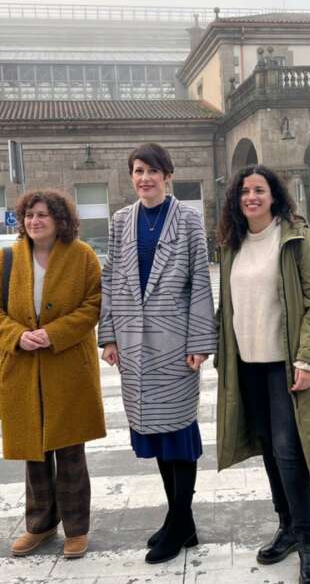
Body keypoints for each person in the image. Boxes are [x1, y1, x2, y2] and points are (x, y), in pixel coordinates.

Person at [214, 164, 310, 584]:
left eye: (259, 190)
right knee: (268, 448)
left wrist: (307, 359)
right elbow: (226, 306)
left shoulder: (297, 238)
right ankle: (285, 526)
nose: (251, 197)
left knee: (289, 452)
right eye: (244, 191)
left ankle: (308, 542)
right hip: (246, 365)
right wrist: (212, 351)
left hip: (286, 366)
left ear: (274, 196)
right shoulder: (232, 244)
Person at [98, 143, 217, 564]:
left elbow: (200, 282)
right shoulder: (120, 221)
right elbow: (110, 279)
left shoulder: (187, 218)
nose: (144, 178)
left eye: (152, 170)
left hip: (176, 345)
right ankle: (179, 521)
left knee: (178, 435)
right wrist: (108, 335)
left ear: (168, 175)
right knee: (154, 434)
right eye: (137, 171)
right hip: (132, 344)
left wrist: (201, 343)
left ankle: (181, 522)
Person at [0, 188, 105, 560]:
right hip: (22, 367)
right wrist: (17, 335)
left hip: (68, 367)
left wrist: (54, 333)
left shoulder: (82, 257)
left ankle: (76, 529)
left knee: (69, 452)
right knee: (33, 451)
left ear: (60, 221)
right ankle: (40, 524)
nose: (35, 221)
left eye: (43, 215)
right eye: (30, 215)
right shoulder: (6, 259)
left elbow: (94, 303)